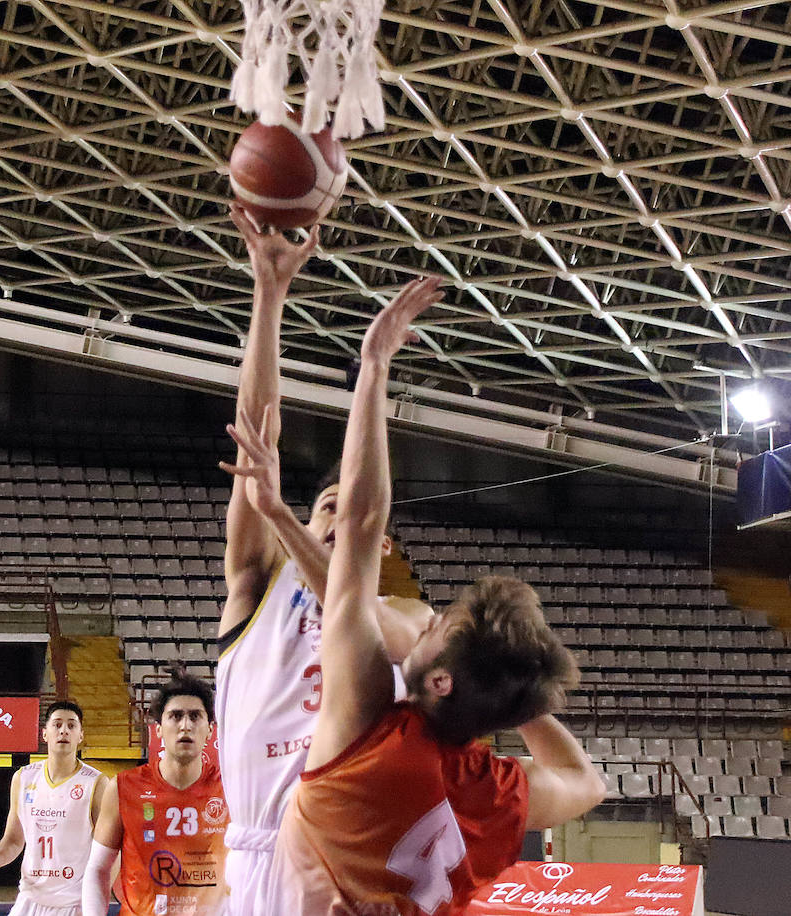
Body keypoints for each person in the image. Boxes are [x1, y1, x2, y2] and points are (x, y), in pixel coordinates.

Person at [243, 276, 605, 914]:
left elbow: (359, 524)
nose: (430, 621)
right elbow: (587, 781)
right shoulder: (491, 788)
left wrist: (374, 366)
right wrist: (510, 698)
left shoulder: (368, 733)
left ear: (440, 681)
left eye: (440, 626)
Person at [214, 205, 432, 916]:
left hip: (339, 862)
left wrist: (286, 513)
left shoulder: (407, 619)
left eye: (348, 506)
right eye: (323, 505)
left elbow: (351, 609)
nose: (338, 513)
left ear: (384, 546)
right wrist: (267, 296)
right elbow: (255, 442)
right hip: (251, 854)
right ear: (299, 526)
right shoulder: (256, 589)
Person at [81, 675, 227, 916]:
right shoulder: (122, 787)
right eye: (176, 716)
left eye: (195, 716)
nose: (185, 725)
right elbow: (98, 869)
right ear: (158, 729)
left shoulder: (230, 787)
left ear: (210, 729)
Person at [0, 701, 109, 916]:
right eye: (57, 725)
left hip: (74, 902)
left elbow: (107, 848)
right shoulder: (24, 777)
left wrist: (98, 898)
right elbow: (14, 838)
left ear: (81, 735)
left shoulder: (95, 783)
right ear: (45, 734)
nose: (64, 730)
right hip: (30, 897)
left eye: (71, 725)